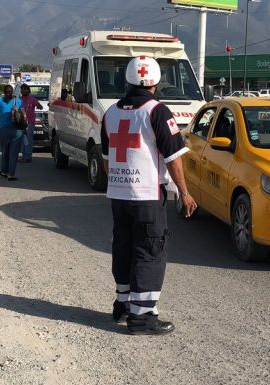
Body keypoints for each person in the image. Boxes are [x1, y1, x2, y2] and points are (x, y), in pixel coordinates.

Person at [100, 55, 197, 336]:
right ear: (155, 82)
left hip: (118, 194)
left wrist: (119, 182)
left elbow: (107, 160)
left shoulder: (111, 112)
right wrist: (184, 192)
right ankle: (142, 319)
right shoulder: (158, 112)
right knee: (149, 250)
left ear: (127, 79)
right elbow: (174, 158)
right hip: (147, 194)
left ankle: (123, 303)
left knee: (124, 246)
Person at [0, 85, 23, 181]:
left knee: (5, 151)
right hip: (17, 130)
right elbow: (24, 115)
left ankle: (4, 172)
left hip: (3, 129)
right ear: (12, 92)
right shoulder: (18, 101)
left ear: (4, 91)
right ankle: (11, 174)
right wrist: (25, 128)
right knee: (14, 153)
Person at [19, 83, 43, 163]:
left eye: (25, 89)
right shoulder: (19, 99)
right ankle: (24, 155)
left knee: (28, 139)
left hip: (30, 122)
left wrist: (38, 105)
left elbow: (40, 106)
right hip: (21, 123)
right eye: (22, 89)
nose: (23, 91)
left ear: (28, 91)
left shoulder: (32, 99)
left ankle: (28, 156)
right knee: (23, 139)